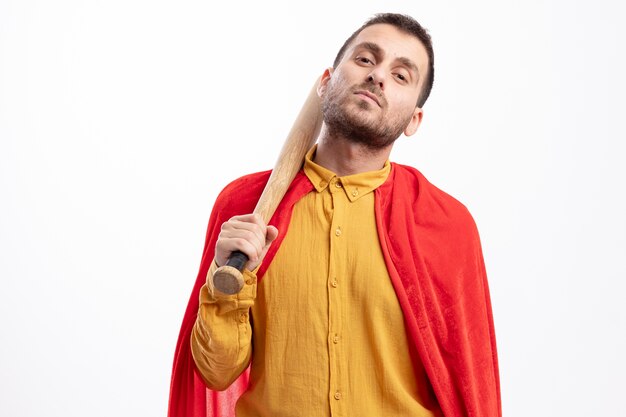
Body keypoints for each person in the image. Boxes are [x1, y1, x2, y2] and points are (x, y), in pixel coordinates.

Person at [168, 13, 501, 417]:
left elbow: (467, 385)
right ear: (326, 82)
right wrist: (226, 286)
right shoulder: (248, 207)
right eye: (365, 59)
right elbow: (215, 373)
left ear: (414, 120)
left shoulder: (446, 225)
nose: (378, 75)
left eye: (400, 76)